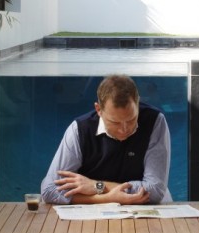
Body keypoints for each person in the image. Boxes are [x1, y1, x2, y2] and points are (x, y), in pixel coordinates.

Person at [41, 74, 172, 205]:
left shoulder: (155, 121)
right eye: (115, 122)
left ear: (138, 104)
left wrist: (97, 186)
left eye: (131, 119)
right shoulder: (79, 130)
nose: (124, 129)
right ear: (98, 109)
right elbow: (49, 191)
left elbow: (155, 191)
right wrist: (108, 198)